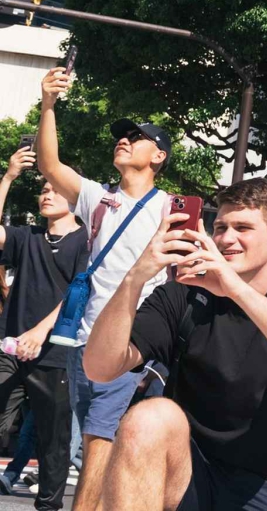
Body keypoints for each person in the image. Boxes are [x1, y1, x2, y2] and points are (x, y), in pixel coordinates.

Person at [82, 178, 267, 510]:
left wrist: (234, 288)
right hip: (189, 475)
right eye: (219, 227)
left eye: (242, 227)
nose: (225, 238)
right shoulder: (182, 296)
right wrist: (136, 276)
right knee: (148, 417)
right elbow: (99, 368)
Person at [34, 67, 174, 511]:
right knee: (95, 446)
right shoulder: (98, 197)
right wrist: (49, 104)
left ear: (159, 157)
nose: (124, 140)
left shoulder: (169, 208)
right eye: (122, 135)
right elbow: (49, 165)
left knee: (98, 439)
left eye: (137, 137)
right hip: (83, 340)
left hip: (133, 342)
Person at [0, 141, 86, 511]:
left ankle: (48, 506)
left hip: (57, 357)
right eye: (43, 188)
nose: (46, 193)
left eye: (55, 188)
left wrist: (40, 332)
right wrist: (8, 176)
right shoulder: (27, 236)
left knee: (53, 441)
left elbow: (78, 292)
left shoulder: (88, 240)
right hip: (10, 349)